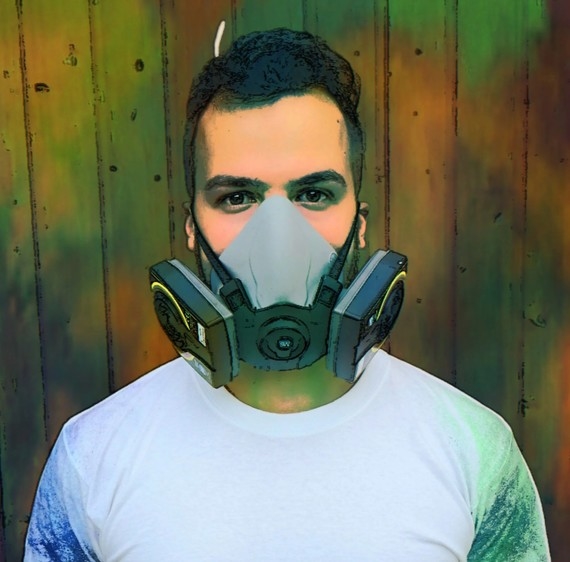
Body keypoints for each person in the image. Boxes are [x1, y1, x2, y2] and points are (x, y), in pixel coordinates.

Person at [25, 28, 550, 561]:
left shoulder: (474, 452)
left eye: (314, 193)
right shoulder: (92, 459)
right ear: (191, 229)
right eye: (237, 198)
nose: (278, 237)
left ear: (359, 225)